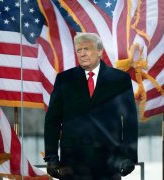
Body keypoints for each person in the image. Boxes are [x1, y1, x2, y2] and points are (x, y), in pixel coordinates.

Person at [44, 32, 138, 180]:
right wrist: (51, 156)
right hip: (72, 162)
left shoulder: (120, 79)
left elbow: (129, 120)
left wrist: (129, 156)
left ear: (99, 51)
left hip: (108, 162)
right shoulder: (64, 79)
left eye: (86, 49)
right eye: (79, 50)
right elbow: (52, 121)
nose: (82, 54)